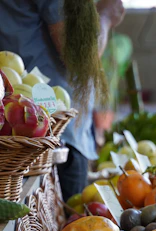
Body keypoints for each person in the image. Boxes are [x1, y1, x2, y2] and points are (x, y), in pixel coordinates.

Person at [0, 0, 125, 201]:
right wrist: (106, 15)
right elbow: (81, 57)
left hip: (24, 137)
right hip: (53, 137)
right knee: (56, 227)